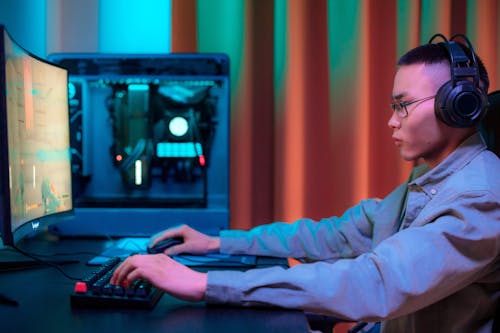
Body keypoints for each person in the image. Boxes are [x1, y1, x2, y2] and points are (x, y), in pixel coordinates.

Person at [111, 35, 500, 333]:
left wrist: (202, 283)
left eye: (403, 105)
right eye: (391, 107)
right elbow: (334, 236)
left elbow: (376, 283)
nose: (391, 121)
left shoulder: (478, 199)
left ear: (459, 104)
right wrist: (219, 243)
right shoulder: (429, 182)